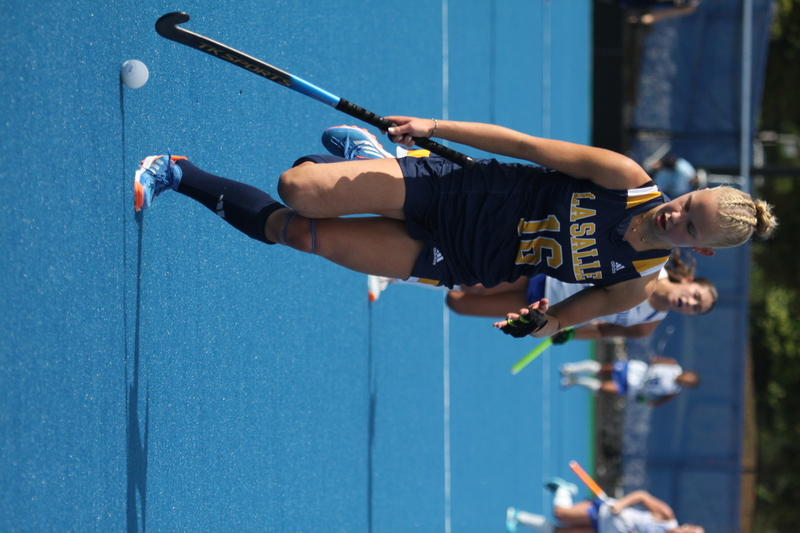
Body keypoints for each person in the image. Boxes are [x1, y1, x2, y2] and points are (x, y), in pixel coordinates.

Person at [133, 119, 776, 338]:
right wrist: (436, 128)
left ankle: (178, 173)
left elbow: (562, 318)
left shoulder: (635, 282)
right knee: (296, 187)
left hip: (462, 259)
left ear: (699, 248)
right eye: (688, 201)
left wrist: (536, 322)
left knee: (297, 232)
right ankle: (375, 161)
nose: (675, 213)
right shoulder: (626, 178)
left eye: (689, 224)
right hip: (457, 189)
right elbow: (525, 146)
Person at [445, 249, 717, 340]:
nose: (689, 302)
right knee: (472, 282)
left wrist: (569, 332)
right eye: (695, 296)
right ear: (689, 281)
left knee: (459, 304)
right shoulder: (651, 267)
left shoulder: (646, 325)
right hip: (546, 270)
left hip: (547, 309)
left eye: (695, 308)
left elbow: (602, 330)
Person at [506, 477, 704, 533]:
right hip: (605, 513)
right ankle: (563, 490)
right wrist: (621, 505)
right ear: (688, 528)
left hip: (603, 531)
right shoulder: (666, 517)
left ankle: (517, 517)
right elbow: (642, 496)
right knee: (561, 514)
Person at [560, 355, 699, 407]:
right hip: (633, 370)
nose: (686, 381)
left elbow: (656, 403)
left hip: (632, 387)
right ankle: (571, 369)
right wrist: (654, 360)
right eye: (689, 378)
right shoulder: (674, 365)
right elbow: (655, 359)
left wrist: (645, 400)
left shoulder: (673, 391)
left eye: (688, 384)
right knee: (601, 369)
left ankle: (575, 381)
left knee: (601, 388)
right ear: (687, 373)